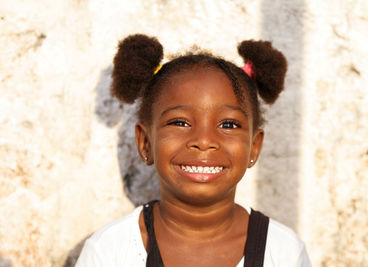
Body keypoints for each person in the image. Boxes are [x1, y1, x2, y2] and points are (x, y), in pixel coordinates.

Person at [75, 34, 312, 267]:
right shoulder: (109, 251)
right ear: (145, 142)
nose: (204, 140)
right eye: (180, 122)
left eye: (228, 124)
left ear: (254, 146)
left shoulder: (284, 252)